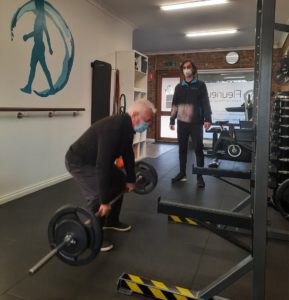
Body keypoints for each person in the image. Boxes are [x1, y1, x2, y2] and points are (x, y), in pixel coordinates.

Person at [65, 99, 156, 252]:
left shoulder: (127, 127)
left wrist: (130, 179)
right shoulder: (113, 128)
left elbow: (127, 152)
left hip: (95, 160)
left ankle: (111, 221)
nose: (148, 125)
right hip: (79, 161)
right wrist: (105, 201)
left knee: (120, 181)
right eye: (147, 121)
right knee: (97, 194)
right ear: (135, 116)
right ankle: (95, 236)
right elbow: (103, 166)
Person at [170, 59, 212, 188]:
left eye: (188, 67)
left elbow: (205, 102)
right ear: (182, 70)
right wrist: (172, 120)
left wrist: (208, 119)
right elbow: (174, 104)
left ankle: (200, 176)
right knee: (182, 149)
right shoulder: (178, 87)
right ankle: (182, 173)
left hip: (196, 123)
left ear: (193, 69)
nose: (186, 69)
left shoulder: (200, 85)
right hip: (182, 122)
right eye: (184, 67)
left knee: (198, 149)